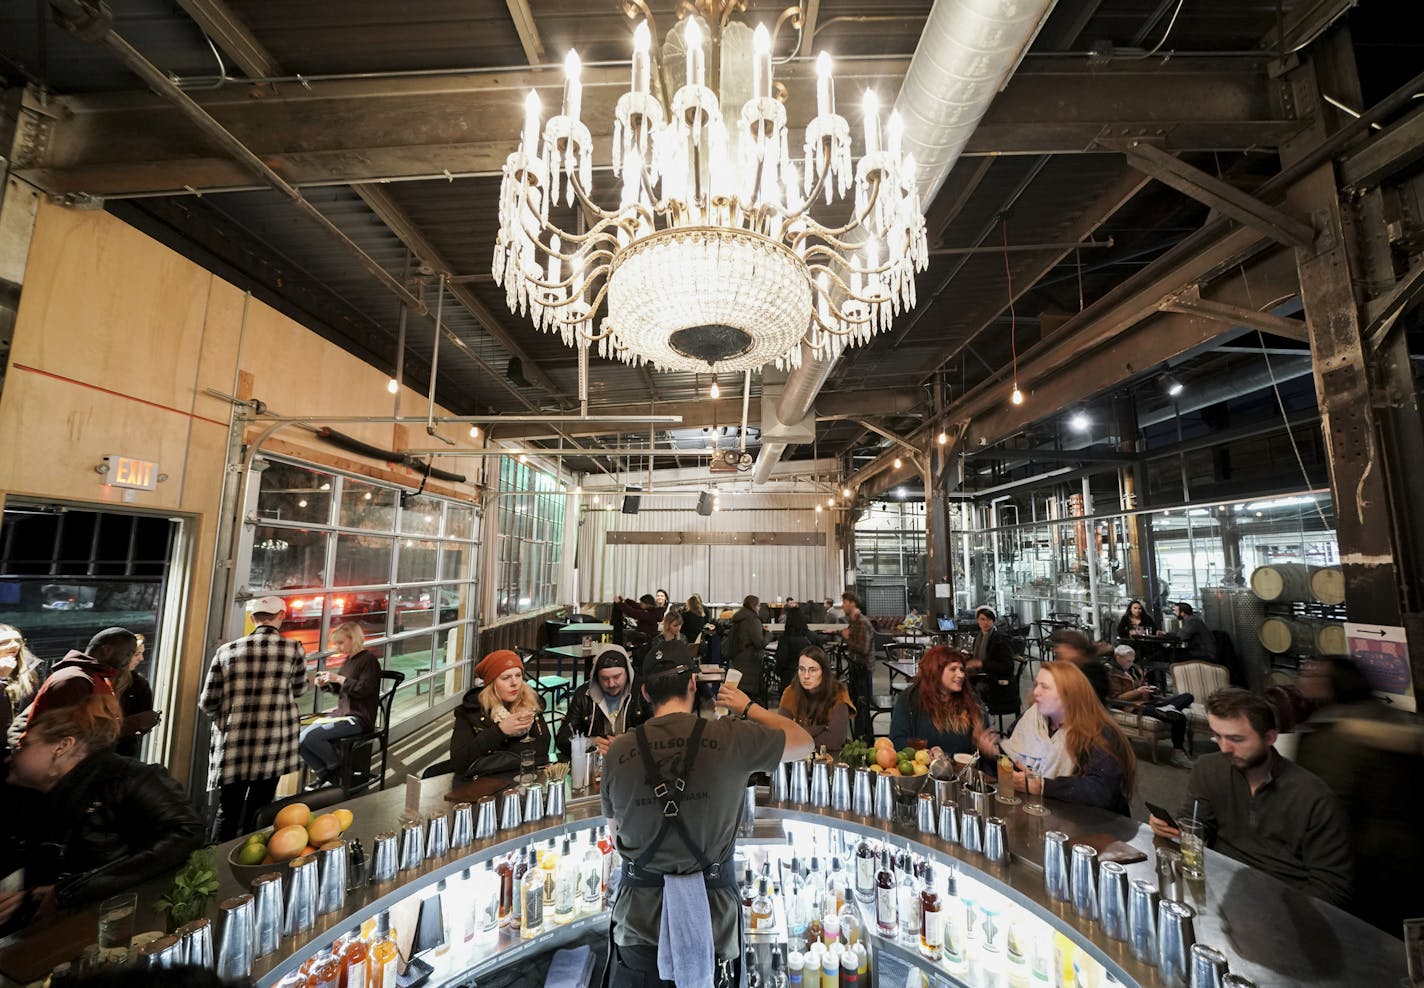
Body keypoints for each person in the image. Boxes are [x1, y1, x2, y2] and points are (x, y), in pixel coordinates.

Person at [601, 652, 814, 987]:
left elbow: (616, 837)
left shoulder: (617, 751)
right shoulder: (731, 736)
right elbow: (805, 743)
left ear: (643, 693)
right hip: (713, 923)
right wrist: (747, 707)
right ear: (692, 685)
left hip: (638, 925)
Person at [0, 696, 203, 929]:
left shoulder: (126, 780)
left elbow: (187, 832)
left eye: (24, 745)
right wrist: (27, 900)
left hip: (118, 930)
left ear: (62, 746)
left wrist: (72, 892)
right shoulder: (26, 798)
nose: (11, 756)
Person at [1149, 687, 1351, 906]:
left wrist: (1278, 913)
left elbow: (1332, 888)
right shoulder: (1208, 769)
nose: (1224, 748)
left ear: (1270, 738)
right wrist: (1176, 827)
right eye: (1218, 736)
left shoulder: (1314, 798)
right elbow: (1198, 822)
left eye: (1236, 739)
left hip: (1284, 901)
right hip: (1223, 886)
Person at [1291, 658, 1422, 931]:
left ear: (1334, 684)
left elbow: (1325, 804)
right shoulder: (1389, 717)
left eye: (1313, 673)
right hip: (1409, 853)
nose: (1303, 677)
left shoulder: (1331, 737)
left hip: (1365, 859)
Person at [199, 596, 310, 841]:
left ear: (253, 619)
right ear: (282, 615)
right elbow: (301, 689)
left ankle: (216, 863)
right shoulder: (292, 649)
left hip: (232, 746)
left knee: (227, 810)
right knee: (260, 809)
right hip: (272, 744)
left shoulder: (226, 651)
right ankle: (250, 855)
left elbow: (208, 701)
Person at [1003, 662, 1137, 814]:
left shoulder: (1098, 732)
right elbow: (1011, 756)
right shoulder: (1033, 719)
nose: (1036, 692)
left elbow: (1101, 790)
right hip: (1040, 813)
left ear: (1069, 694)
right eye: (1036, 685)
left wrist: (1042, 786)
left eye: (1045, 687)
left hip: (1091, 825)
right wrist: (990, 751)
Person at [298, 622, 382, 788]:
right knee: (299, 738)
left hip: (358, 718)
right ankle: (326, 773)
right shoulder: (349, 661)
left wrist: (338, 679)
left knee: (311, 737)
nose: (337, 647)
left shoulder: (369, 661)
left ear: (354, 639)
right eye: (336, 643)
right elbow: (344, 690)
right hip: (342, 715)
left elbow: (363, 690)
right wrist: (327, 685)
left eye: (341, 643)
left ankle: (335, 770)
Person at [450, 649, 551, 778]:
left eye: (518, 675)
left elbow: (542, 750)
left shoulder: (530, 704)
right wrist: (499, 731)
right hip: (485, 784)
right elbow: (459, 761)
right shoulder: (470, 711)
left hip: (525, 780)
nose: (514, 683)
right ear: (491, 684)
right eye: (506, 678)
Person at [889, 647, 998, 758]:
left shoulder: (972, 702)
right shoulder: (910, 699)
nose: (961, 675)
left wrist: (988, 751)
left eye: (961, 669)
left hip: (963, 771)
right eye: (953, 669)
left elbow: (982, 753)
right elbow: (897, 741)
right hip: (923, 770)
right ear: (936, 671)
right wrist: (925, 753)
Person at [24, 627, 137, 727]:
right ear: (106, 650)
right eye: (128, 654)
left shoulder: (94, 678)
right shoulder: (74, 679)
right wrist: (129, 726)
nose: (129, 660)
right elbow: (70, 731)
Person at [555, 646, 648, 761]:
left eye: (617, 676)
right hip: (596, 765)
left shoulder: (643, 693)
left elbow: (658, 735)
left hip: (635, 763)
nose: (611, 684)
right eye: (604, 678)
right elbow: (562, 739)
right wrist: (590, 743)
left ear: (628, 673)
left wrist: (632, 742)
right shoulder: (583, 695)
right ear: (596, 677)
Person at [1108, 644, 1194, 768]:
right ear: (1118, 658)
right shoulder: (1111, 673)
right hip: (1133, 706)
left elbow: (1140, 686)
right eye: (1128, 661)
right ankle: (1178, 753)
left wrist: (1149, 690)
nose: (1131, 663)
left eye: (1132, 660)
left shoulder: (1134, 669)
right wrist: (1138, 692)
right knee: (1178, 717)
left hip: (1147, 702)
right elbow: (1116, 699)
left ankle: (1168, 708)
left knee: (1187, 696)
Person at [776, 646, 855, 751]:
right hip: (798, 757)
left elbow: (834, 741)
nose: (806, 676)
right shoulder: (791, 692)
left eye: (812, 670)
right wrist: (819, 729)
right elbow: (782, 733)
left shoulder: (838, 693)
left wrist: (798, 734)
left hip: (831, 758)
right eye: (802, 669)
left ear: (824, 672)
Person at [115, 633, 161, 759]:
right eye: (137, 654)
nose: (141, 659)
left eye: (142, 653)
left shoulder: (140, 684)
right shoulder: (101, 680)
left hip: (125, 750)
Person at [1, 624, 42, 753]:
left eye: (17, 641)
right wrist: (1, 678)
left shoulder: (29, 670)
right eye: (4, 642)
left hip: (21, 744)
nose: (14, 645)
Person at [971, 606, 1018, 717]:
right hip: (985, 678)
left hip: (997, 685)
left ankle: (978, 724)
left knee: (964, 692)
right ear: (978, 620)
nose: (985, 622)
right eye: (982, 619)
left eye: (989, 619)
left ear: (993, 621)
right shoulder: (979, 637)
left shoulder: (1000, 639)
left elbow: (1008, 666)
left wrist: (982, 664)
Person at [840, 592, 875, 740]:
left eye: (844, 602)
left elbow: (864, 648)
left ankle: (864, 739)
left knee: (862, 706)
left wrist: (847, 638)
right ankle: (860, 737)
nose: (842, 605)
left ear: (852, 603)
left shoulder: (862, 622)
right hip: (857, 669)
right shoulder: (854, 621)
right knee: (857, 705)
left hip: (863, 670)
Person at [1052, 629, 1112, 703]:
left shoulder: (1093, 669)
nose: (1058, 650)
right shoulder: (1062, 667)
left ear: (1078, 650)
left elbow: (1087, 697)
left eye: (1064, 647)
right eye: (1057, 647)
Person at [725, 595, 768, 700]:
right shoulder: (752, 619)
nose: (759, 609)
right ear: (753, 606)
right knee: (748, 695)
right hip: (750, 661)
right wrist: (769, 635)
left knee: (740, 691)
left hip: (738, 658)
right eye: (758, 606)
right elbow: (759, 643)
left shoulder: (740, 617)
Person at [773, 601, 813, 692]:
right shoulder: (811, 637)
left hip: (789, 677)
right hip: (809, 676)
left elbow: (781, 658)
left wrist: (778, 672)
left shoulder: (785, 638)